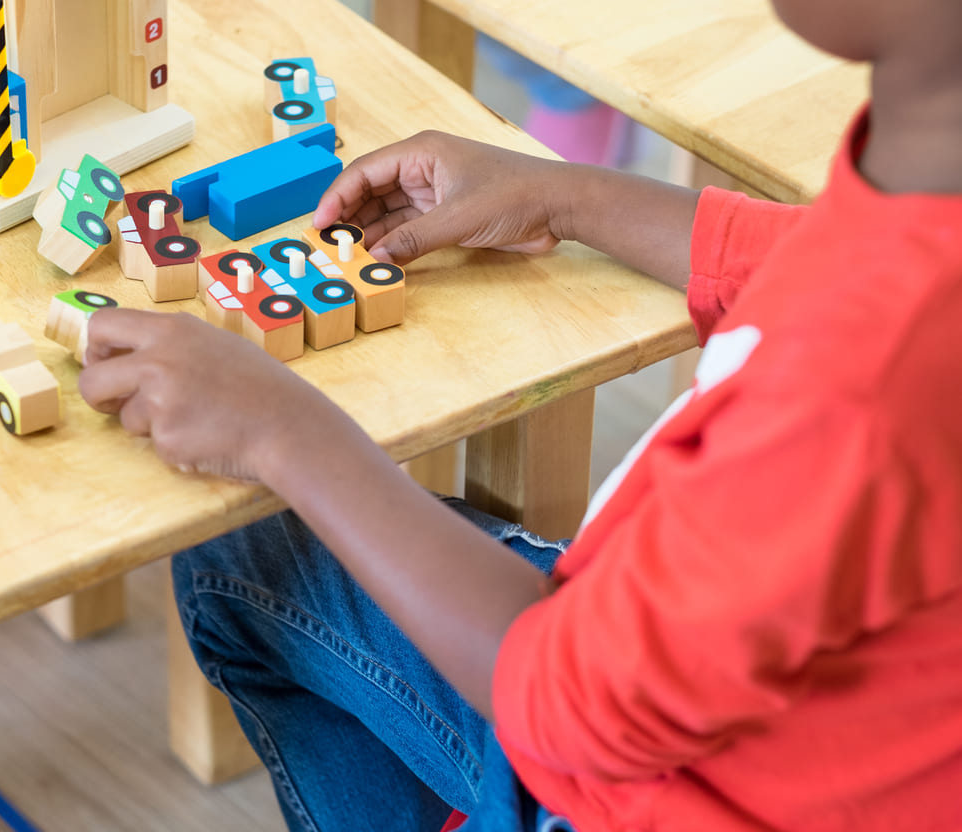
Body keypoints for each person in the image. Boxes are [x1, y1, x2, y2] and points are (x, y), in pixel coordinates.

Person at [77, 0, 962, 827]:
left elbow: (572, 710)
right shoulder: (926, 173)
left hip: (653, 779)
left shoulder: (862, 382)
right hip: (791, 713)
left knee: (242, 546)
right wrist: (563, 194)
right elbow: (820, 258)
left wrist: (284, 432)